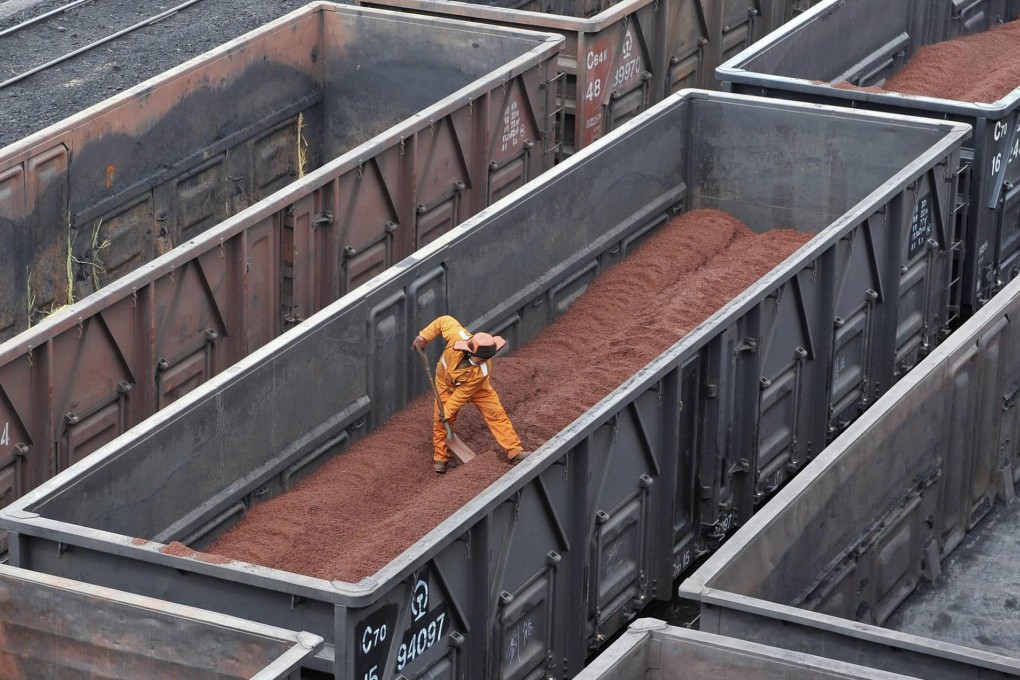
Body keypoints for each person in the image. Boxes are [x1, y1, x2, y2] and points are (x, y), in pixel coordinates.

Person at [412, 315, 531, 474]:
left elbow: (462, 395)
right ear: (469, 351)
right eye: (480, 359)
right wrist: (424, 337)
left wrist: (447, 411)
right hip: (445, 386)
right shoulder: (457, 336)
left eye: (484, 360)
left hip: (478, 389)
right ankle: (441, 459)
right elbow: (444, 320)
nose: (482, 362)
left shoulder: (481, 371)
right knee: (440, 421)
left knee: (496, 415)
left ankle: (514, 452)